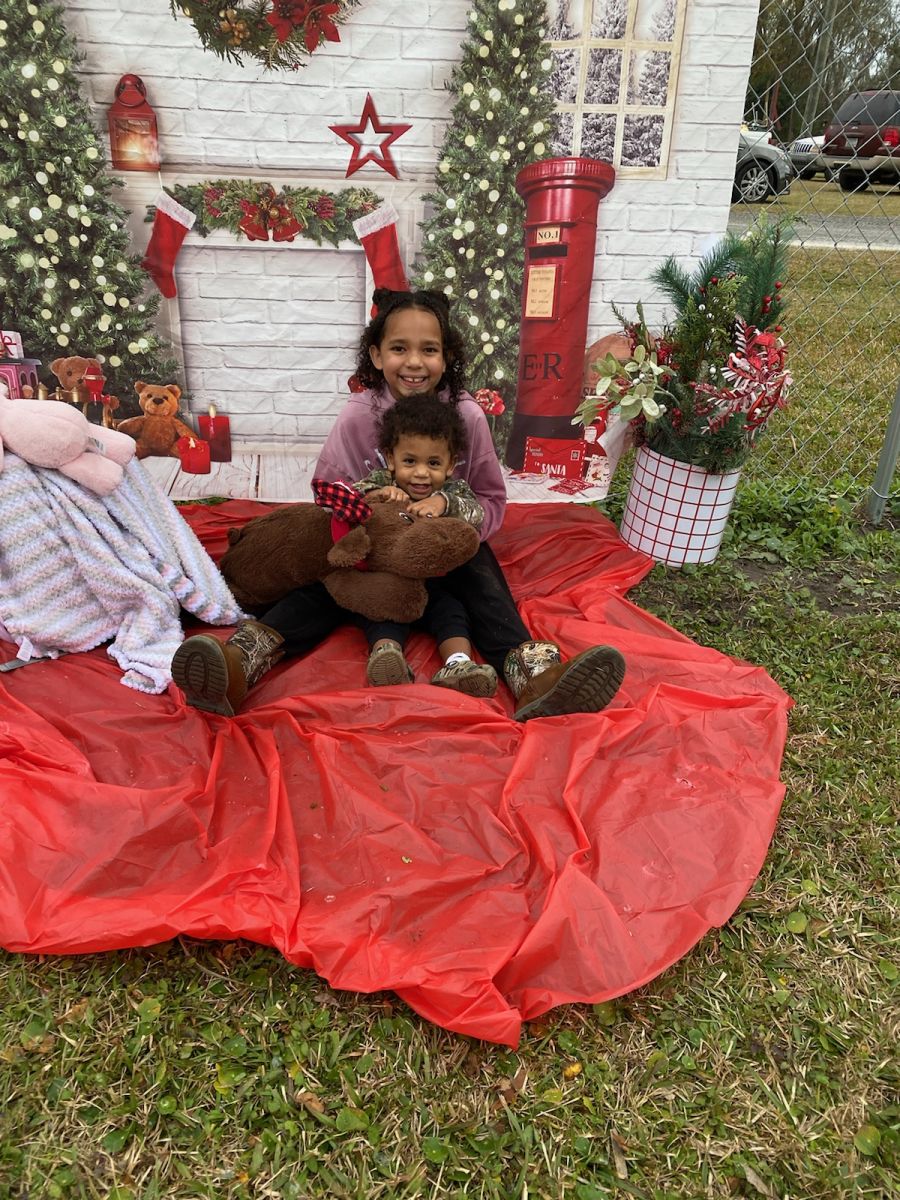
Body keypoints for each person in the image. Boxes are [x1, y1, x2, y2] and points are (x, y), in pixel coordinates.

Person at [172, 288, 625, 719]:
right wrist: (367, 513)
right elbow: (327, 491)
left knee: (479, 573)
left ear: (447, 356)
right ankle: (239, 661)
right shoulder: (357, 416)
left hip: (442, 549)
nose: (414, 363)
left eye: (429, 350)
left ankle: (534, 674)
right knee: (324, 579)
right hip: (371, 550)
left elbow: (490, 500)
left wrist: (448, 510)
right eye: (399, 348)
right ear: (376, 355)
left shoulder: (466, 416)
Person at [354, 392, 498, 697]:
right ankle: (386, 656)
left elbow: (477, 512)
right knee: (381, 614)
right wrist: (378, 496)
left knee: (453, 614)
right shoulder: (381, 481)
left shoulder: (453, 489)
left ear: (450, 464)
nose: (421, 473)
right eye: (409, 461)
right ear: (391, 459)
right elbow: (352, 498)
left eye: (433, 463)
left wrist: (443, 501)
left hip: (437, 584)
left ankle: (458, 664)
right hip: (390, 582)